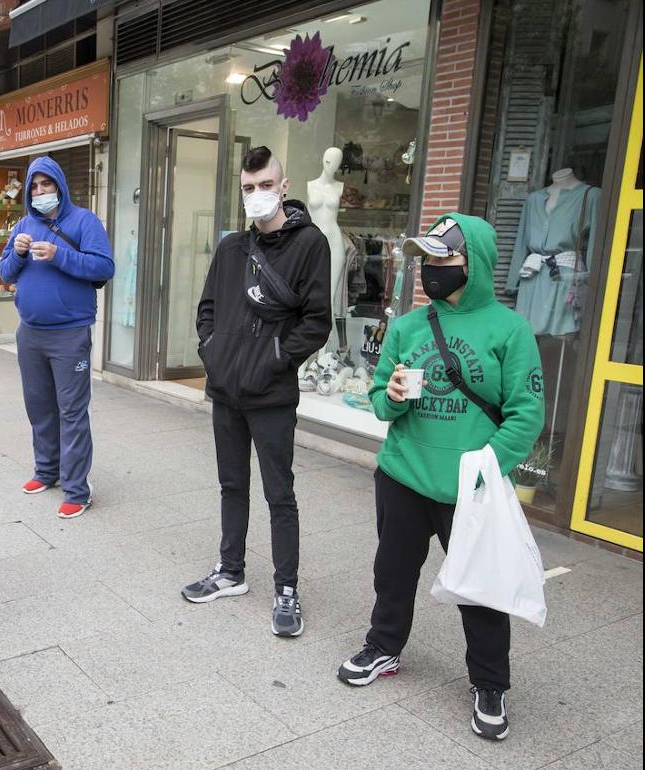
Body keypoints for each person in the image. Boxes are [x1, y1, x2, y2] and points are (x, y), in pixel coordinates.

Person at [336, 214, 544, 742]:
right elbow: (380, 401)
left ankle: (490, 683)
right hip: (403, 476)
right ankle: (384, 648)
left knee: (481, 592)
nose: (431, 269)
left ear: (472, 264)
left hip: (470, 490)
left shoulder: (509, 330)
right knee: (393, 573)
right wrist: (394, 397)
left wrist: (484, 469)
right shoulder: (407, 326)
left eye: (443, 259)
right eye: (426, 259)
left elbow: (526, 414)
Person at [181, 146, 331, 638]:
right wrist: (212, 351)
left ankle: (286, 588)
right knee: (231, 485)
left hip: (271, 395)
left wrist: (274, 359)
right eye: (249, 188)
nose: (257, 195)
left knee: (279, 493)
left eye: (266, 185)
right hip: (226, 392)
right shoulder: (230, 249)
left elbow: (316, 323)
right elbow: (207, 308)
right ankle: (230, 571)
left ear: (284, 187)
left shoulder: (310, 244)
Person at [0, 156, 114, 519]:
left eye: (46, 184)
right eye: (34, 186)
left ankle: (77, 489)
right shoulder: (23, 224)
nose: (39, 191)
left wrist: (60, 254)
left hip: (69, 334)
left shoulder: (84, 221)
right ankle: (46, 471)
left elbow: (104, 267)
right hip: (30, 333)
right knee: (39, 407)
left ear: (60, 186)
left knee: (72, 411)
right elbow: (4, 273)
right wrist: (16, 254)